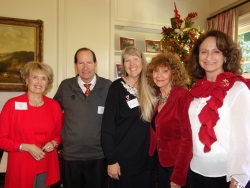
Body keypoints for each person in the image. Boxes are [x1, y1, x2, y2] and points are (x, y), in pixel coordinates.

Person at [187, 30, 250, 188]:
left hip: (225, 176)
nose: (208, 57)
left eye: (216, 52)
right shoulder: (196, 90)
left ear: (226, 56)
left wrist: (237, 180)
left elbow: (243, 141)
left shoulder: (238, 89)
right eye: (204, 52)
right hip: (194, 172)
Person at [53, 47, 112, 188]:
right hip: (71, 156)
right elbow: (52, 112)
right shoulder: (65, 86)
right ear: (75, 66)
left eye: (89, 62)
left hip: (99, 155)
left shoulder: (108, 86)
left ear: (96, 64)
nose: (85, 67)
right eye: (81, 63)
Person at [0, 62, 63, 188]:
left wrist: (53, 143)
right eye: (35, 77)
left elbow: (59, 135)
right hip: (21, 167)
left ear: (48, 83)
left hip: (46, 165)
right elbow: (1, 140)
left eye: (43, 78)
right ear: (26, 79)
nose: (39, 82)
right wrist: (25, 147)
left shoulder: (54, 106)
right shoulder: (12, 105)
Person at [101, 46, 156, 188]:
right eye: (127, 60)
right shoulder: (116, 88)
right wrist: (111, 161)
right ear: (123, 65)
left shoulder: (152, 87)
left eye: (136, 59)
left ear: (142, 62)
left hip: (146, 161)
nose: (132, 64)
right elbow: (107, 128)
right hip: (122, 162)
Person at [146, 52, 193, 188]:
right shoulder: (159, 96)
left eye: (165, 71)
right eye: (156, 71)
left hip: (176, 166)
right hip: (160, 163)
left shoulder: (182, 97)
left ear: (174, 73)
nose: (159, 76)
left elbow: (187, 140)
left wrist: (178, 175)